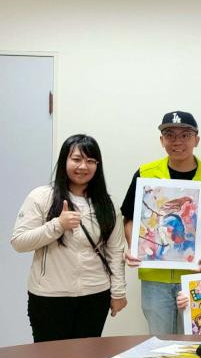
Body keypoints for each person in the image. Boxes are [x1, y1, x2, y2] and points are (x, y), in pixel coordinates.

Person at [120, 111, 201, 335]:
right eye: (170, 135)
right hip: (155, 278)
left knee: (194, 342)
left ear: (196, 140)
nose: (177, 141)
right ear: (162, 140)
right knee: (160, 341)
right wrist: (134, 247)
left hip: (197, 276)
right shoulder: (146, 173)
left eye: (185, 135)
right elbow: (130, 217)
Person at [11, 134, 126, 342]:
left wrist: (118, 292)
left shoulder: (107, 205)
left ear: (97, 166)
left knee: (88, 357)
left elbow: (115, 251)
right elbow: (19, 242)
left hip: (95, 294)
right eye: (76, 159)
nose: (83, 166)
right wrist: (58, 225)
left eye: (90, 161)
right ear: (64, 160)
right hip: (49, 296)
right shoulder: (42, 197)